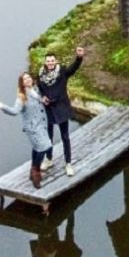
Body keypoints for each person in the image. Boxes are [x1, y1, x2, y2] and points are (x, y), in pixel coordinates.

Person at [0, 73, 53, 189]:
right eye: (25, 79)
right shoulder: (22, 96)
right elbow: (15, 111)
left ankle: (33, 169)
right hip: (32, 127)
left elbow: (39, 101)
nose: (28, 80)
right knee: (44, 147)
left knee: (37, 147)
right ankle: (35, 171)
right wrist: (3, 107)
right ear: (22, 83)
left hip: (41, 124)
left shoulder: (35, 90)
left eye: (29, 77)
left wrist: (44, 100)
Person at [37, 47, 84, 176]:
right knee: (48, 136)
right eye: (48, 61)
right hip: (48, 109)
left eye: (52, 61)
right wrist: (43, 97)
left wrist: (79, 58)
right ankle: (49, 159)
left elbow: (73, 69)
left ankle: (68, 163)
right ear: (45, 62)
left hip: (61, 108)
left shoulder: (62, 71)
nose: (50, 63)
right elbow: (40, 89)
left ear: (55, 62)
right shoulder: (41, 75)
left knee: (65, 137)